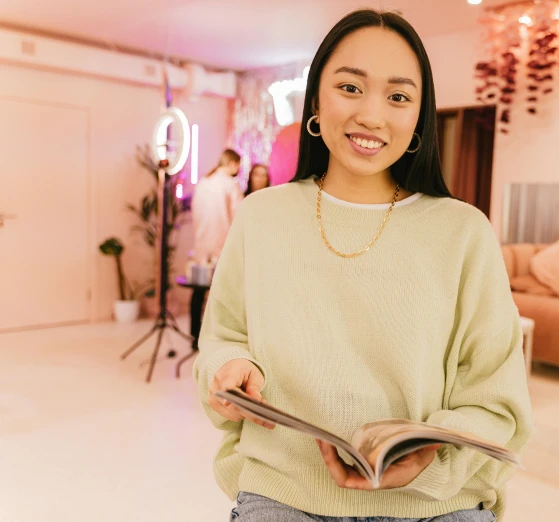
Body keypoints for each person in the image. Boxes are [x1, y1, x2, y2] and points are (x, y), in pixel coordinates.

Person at [193, 9, 533, 522]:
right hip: (287, 489)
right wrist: (228, 368)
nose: (372, 116)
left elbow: (496, 402)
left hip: (436, 502)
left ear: (420, 117)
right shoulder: (262, 216)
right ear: (315, 100)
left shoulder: (464, 232)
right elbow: (221, 339)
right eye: (351, 88)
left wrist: (426, 462)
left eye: (398, 97)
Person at [189, 148, 242, 349]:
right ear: (232, 164)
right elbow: (239, 216)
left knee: (198, 291)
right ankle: (217, 339)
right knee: (222, 293)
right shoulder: (230, 185)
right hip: (223, 246)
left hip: (202, 245)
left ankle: (194, 335)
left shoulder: (203, 183)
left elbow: (195, 215)